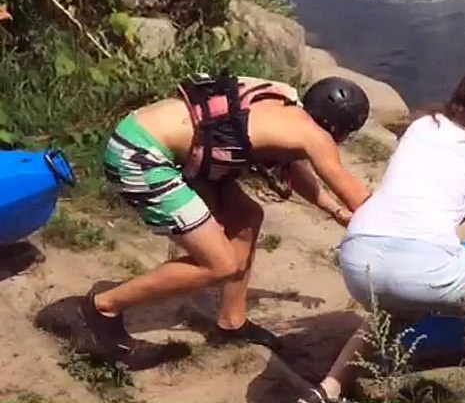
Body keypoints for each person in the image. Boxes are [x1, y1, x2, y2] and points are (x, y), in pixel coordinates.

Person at [76, 73, 374, 361]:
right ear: (339, 129)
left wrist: (336, 212)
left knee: (246, 218)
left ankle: (232, 323)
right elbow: (361, 201)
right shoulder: (314, 136)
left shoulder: (286, 106)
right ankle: (101, 308)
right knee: (219, 265)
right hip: (141, 157)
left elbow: (297, 171)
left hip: (141, 132)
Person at [299, 65, 465, 403]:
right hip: (418, 262)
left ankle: (327, 389)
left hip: (358, 255)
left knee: (391, 312)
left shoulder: (424, 125)